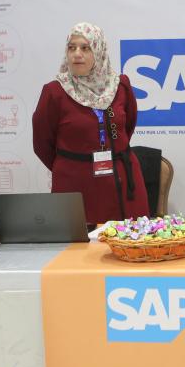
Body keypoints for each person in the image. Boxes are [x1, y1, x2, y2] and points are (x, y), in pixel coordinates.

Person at [32, 22, 148, 225]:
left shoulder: (120, 85)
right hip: (75, 186)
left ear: (99, 51)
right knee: (79, 243)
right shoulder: (54, 92)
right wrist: (73, 165)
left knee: (127, 239)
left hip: (122, 182)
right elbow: (42, 143)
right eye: (72, 48)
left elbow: (128, 127)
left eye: (85, 48)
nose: (77, 54)